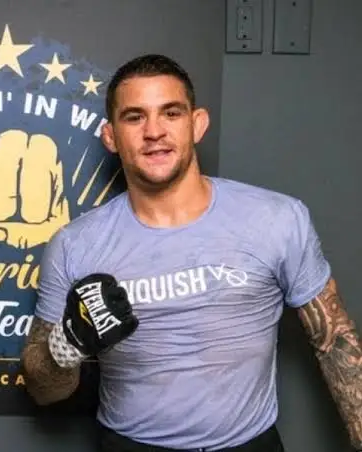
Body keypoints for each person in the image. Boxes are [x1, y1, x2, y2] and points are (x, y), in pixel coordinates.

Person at [21, 54, 362, 451]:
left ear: (197, 124)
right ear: (111, 136)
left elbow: (335, 342)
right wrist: (68, 344)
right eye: (134, 117)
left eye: (171, 113)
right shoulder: (75, 244)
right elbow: (43, 390)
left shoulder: (278, 219)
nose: (154, 131)